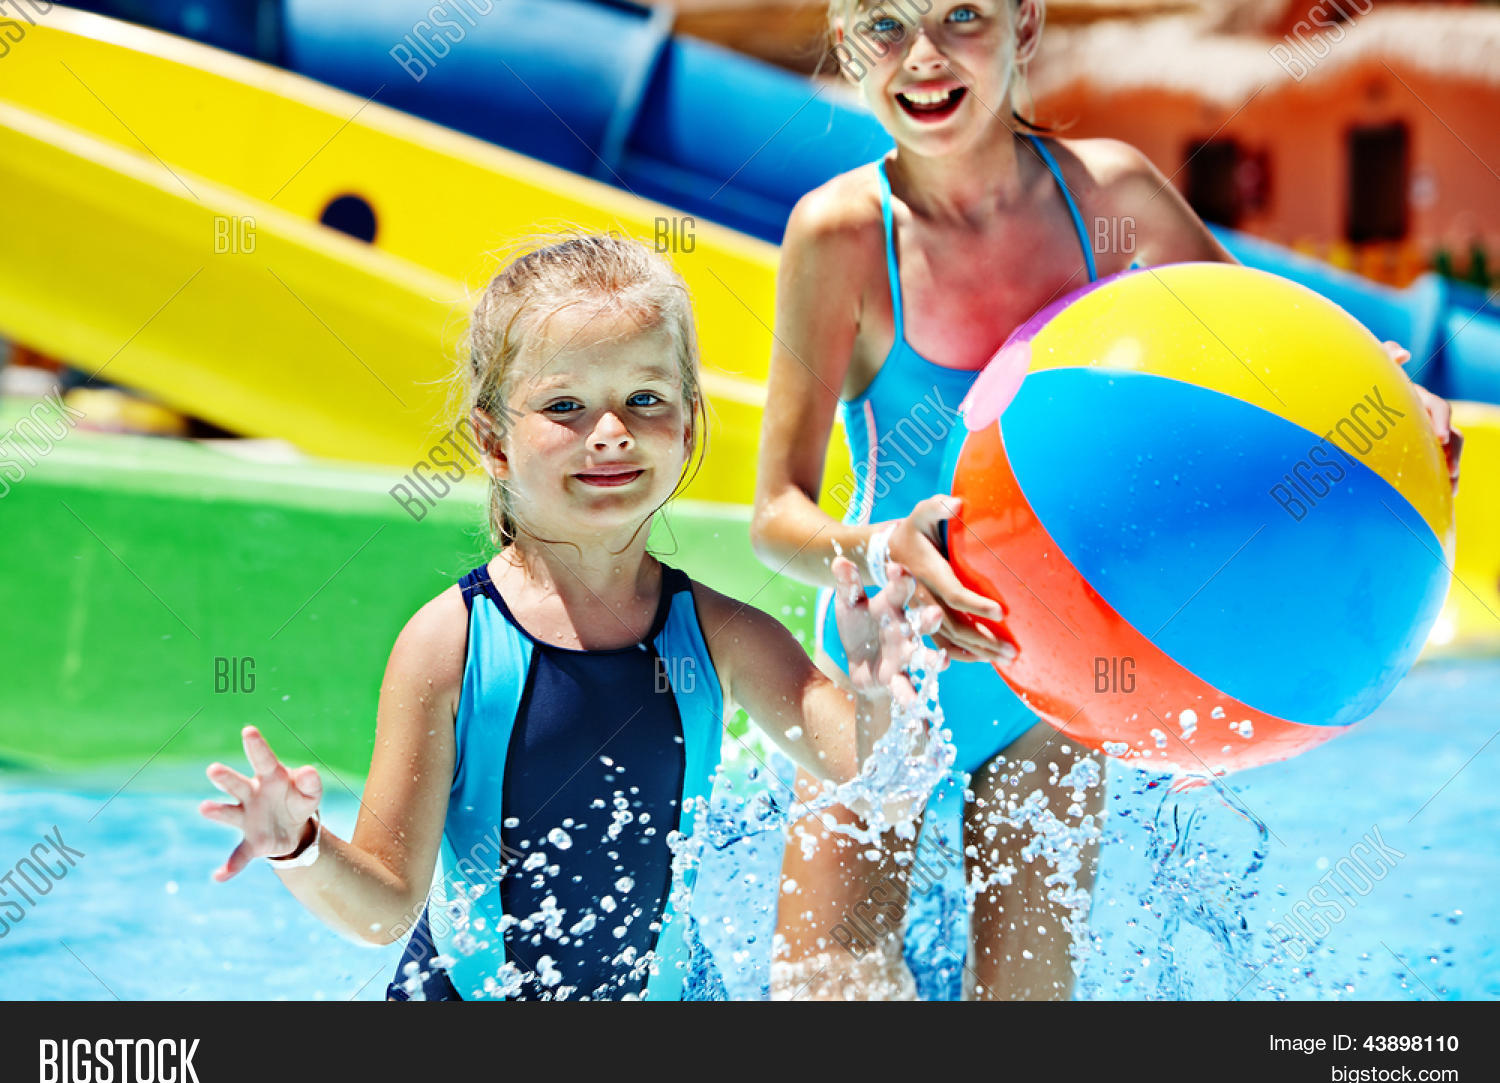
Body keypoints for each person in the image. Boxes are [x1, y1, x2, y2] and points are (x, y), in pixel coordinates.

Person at [751, 0, 1463, 1001]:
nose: (924, 56)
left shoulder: (1109, 196)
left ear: (1024, 23)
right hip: (886, 664)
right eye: (883, 25)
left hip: (1058, 671)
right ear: (844, 44)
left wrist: (1392, 406)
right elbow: (774, 513)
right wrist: (878, 546)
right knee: (827, 983)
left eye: (961, 15)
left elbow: (1271, 374)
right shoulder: (839, 236)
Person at [200, 233, 942, 1001]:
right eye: (565, 406)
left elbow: (881, 784)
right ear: (491, 441)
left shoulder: (725, 638)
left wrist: (880, 686)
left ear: (689, 425)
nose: (612, 431)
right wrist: (301, 845)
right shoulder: (450, 645)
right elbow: (387, 906)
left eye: (645, 398)